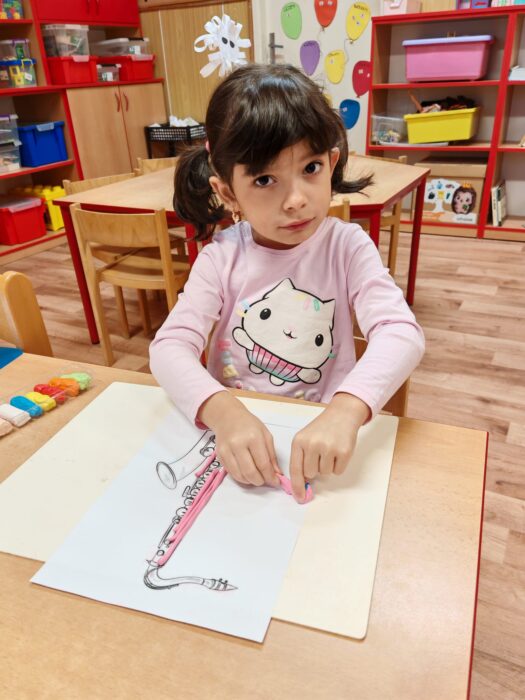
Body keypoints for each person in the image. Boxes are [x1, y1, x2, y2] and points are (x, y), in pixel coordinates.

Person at [150, 63, 425, 502]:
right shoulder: (222, 257)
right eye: (265, 179)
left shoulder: (347, 246)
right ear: (228, 192)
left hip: (322, 439)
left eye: (310, 168)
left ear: (331, 163)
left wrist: (347, 409)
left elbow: (401, 332)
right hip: (235, 439)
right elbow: (169, 347)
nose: (296, 200)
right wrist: (222, 411)